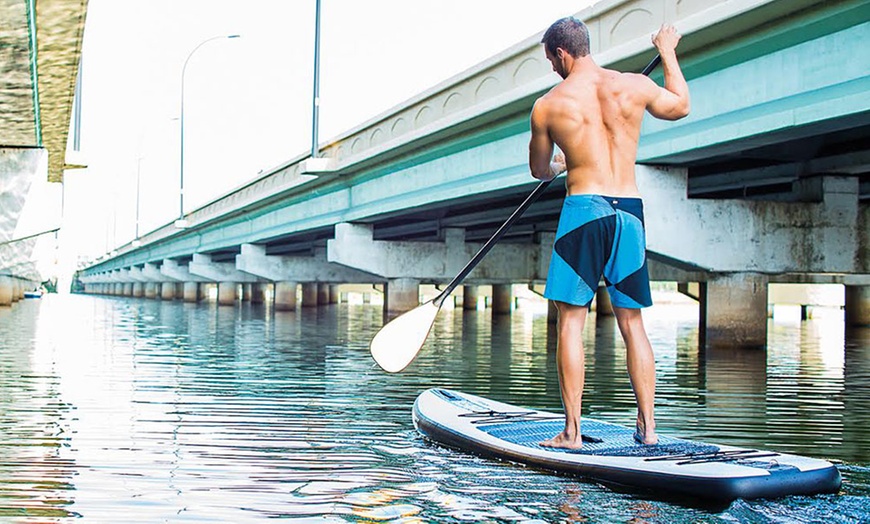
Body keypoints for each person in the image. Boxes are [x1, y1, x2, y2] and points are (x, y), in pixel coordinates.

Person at [528, 17, 690, 449]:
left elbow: (540, 170)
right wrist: (668, 51)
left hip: (584, 209)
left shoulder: (548, 105)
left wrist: (563, 164)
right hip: (629, 211)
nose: (551, 68)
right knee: (633, 322)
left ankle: (572, 432)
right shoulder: (633, 85)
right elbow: (680, 105)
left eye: (550, 60)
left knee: (571, 322)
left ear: (561, 54)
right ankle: (649, 428)